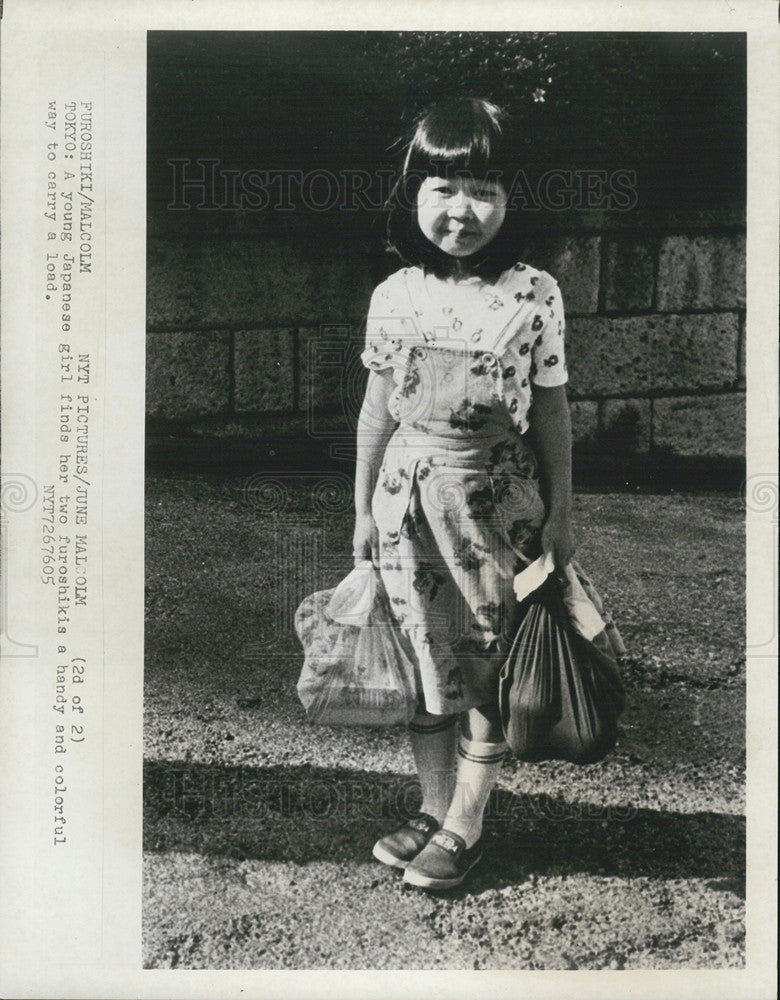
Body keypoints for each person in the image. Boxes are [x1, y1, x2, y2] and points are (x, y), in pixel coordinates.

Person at [352, 97, 574, 890]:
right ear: (412, 195)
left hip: (493, 509)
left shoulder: (533, 292)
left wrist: (563, 511)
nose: (462, 208)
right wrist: (360, 513)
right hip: (405, 503)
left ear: (514, 199)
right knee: (424, 661)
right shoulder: (394, 294)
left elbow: (549, 407)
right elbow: (376, 411)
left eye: (483, 187)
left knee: (485, 664)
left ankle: (467, 821)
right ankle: (434, 801)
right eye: (443, 187)